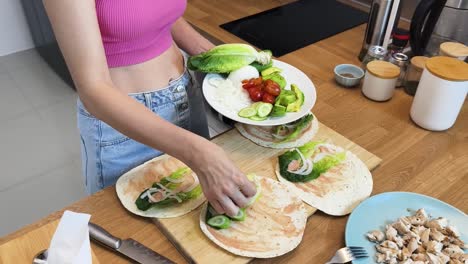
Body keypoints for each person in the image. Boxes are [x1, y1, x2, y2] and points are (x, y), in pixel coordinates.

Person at [43, 0, 256, 216]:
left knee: (207, 218)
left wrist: (223, 60)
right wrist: (199, 153)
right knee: (139, 235)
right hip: (124, 126)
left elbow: (157, 12)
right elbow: (93, 89)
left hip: (185, 94)